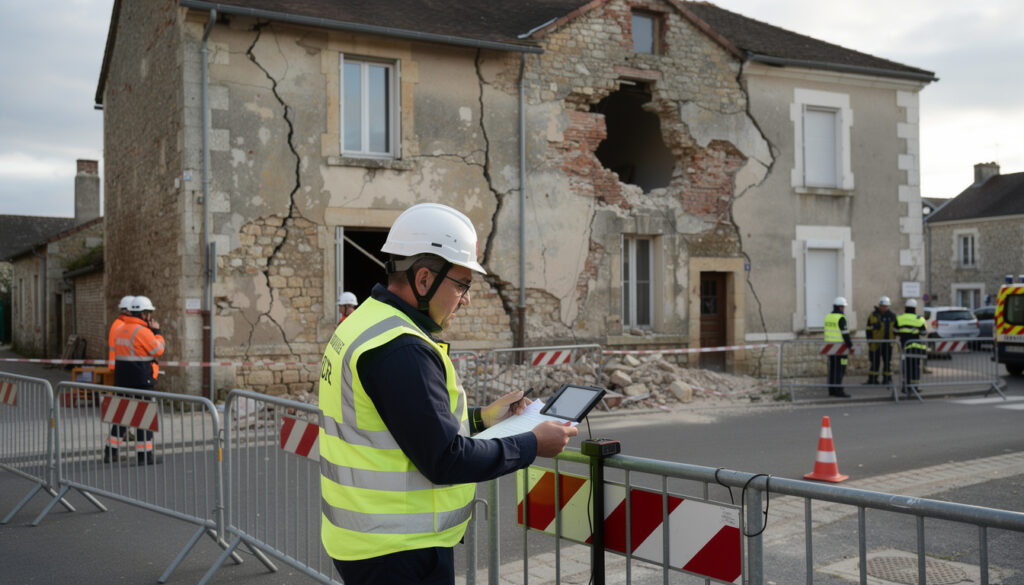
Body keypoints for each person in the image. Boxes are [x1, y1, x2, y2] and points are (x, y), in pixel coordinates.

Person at [318, 202, 578, 585]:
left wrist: (482, 419)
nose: (466, 299)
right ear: (424, 280)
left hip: (369, 544)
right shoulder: (400, 348)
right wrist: (532, 444)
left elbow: (399, 424)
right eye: (461, 285)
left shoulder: (366, 323)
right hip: (398, 553)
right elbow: (444, 459)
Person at [107, 295, 165, 465]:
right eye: (149, 313)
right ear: (144, 314)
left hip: (122, 380)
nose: (150, 317)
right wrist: (157, 333)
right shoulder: (143, 331)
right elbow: (158, 350)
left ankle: (110, 452)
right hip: (141, 380)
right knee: (144, 418)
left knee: (122, 416)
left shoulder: (121, 329)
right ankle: (144, 455)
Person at [896, 298, 928, 397]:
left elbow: (895, 331)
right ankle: (914, 387)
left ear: (906, 308)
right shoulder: (919, 319)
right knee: (915, 367)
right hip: (915, 348)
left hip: (904, 347)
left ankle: (905, 386)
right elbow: (924, 333)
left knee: (906, 367)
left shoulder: (899, 318)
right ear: (915, 309)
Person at [824, 297, 854, 398]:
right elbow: (845, 335)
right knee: (841, 369)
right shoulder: (841, 318)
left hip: (830, 349)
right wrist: (851, 346)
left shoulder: (828, 316)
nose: (844, 309)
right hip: (842, 350)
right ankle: (838, 390)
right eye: (843, 307)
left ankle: (832, 389)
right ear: (840, 307)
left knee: (832, 369)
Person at [866, 295, 898, 385]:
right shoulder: (873, 315)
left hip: (888, 343)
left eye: (886, 306)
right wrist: (869, 340)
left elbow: (896, 329)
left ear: (888, 306)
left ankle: (887, 379)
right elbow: (868, 329)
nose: (884, 308)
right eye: (882, 306)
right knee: (875, 362)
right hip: (875, 343)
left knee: (887, 362)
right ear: (879, 305)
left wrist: (894, 340)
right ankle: (873, 379)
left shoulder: (892, 316)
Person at [108, 295, 135, 370]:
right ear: (128, 310)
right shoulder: (123, 325)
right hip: (123, 366)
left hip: (118, 365)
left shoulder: (118, 323)